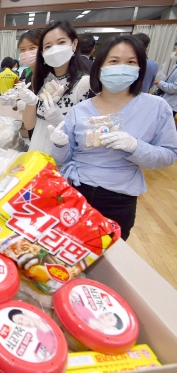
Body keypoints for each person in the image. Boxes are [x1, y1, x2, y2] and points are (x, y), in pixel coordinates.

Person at [49, 35, 177, 240]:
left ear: (140, 68)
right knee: (69, 248)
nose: (122, 67)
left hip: (119, 197)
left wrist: (135, 147)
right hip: (77, 190)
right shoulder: (80, 110)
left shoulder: (155, 107)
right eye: (114, 61)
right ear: (100, 67)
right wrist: (59, 145)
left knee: (110, 255)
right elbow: (64, 160)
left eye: (131, 62)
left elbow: (169, 154)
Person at [20, 20, 91, 154]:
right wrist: (31, 102)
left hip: (64, 157)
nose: (54, 49)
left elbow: (88, 137)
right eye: (48, 46)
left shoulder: (84, 84)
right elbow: (29, 125)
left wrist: (60, 120)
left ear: (74, 44)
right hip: (38, 151)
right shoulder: (43, 80)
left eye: (61, 43)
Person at [16, 29, 43, 139]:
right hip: (33, 129)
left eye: (32, 48)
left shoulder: (48, 77)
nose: (27, 53)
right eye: (22, 49)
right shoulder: (29, 75)